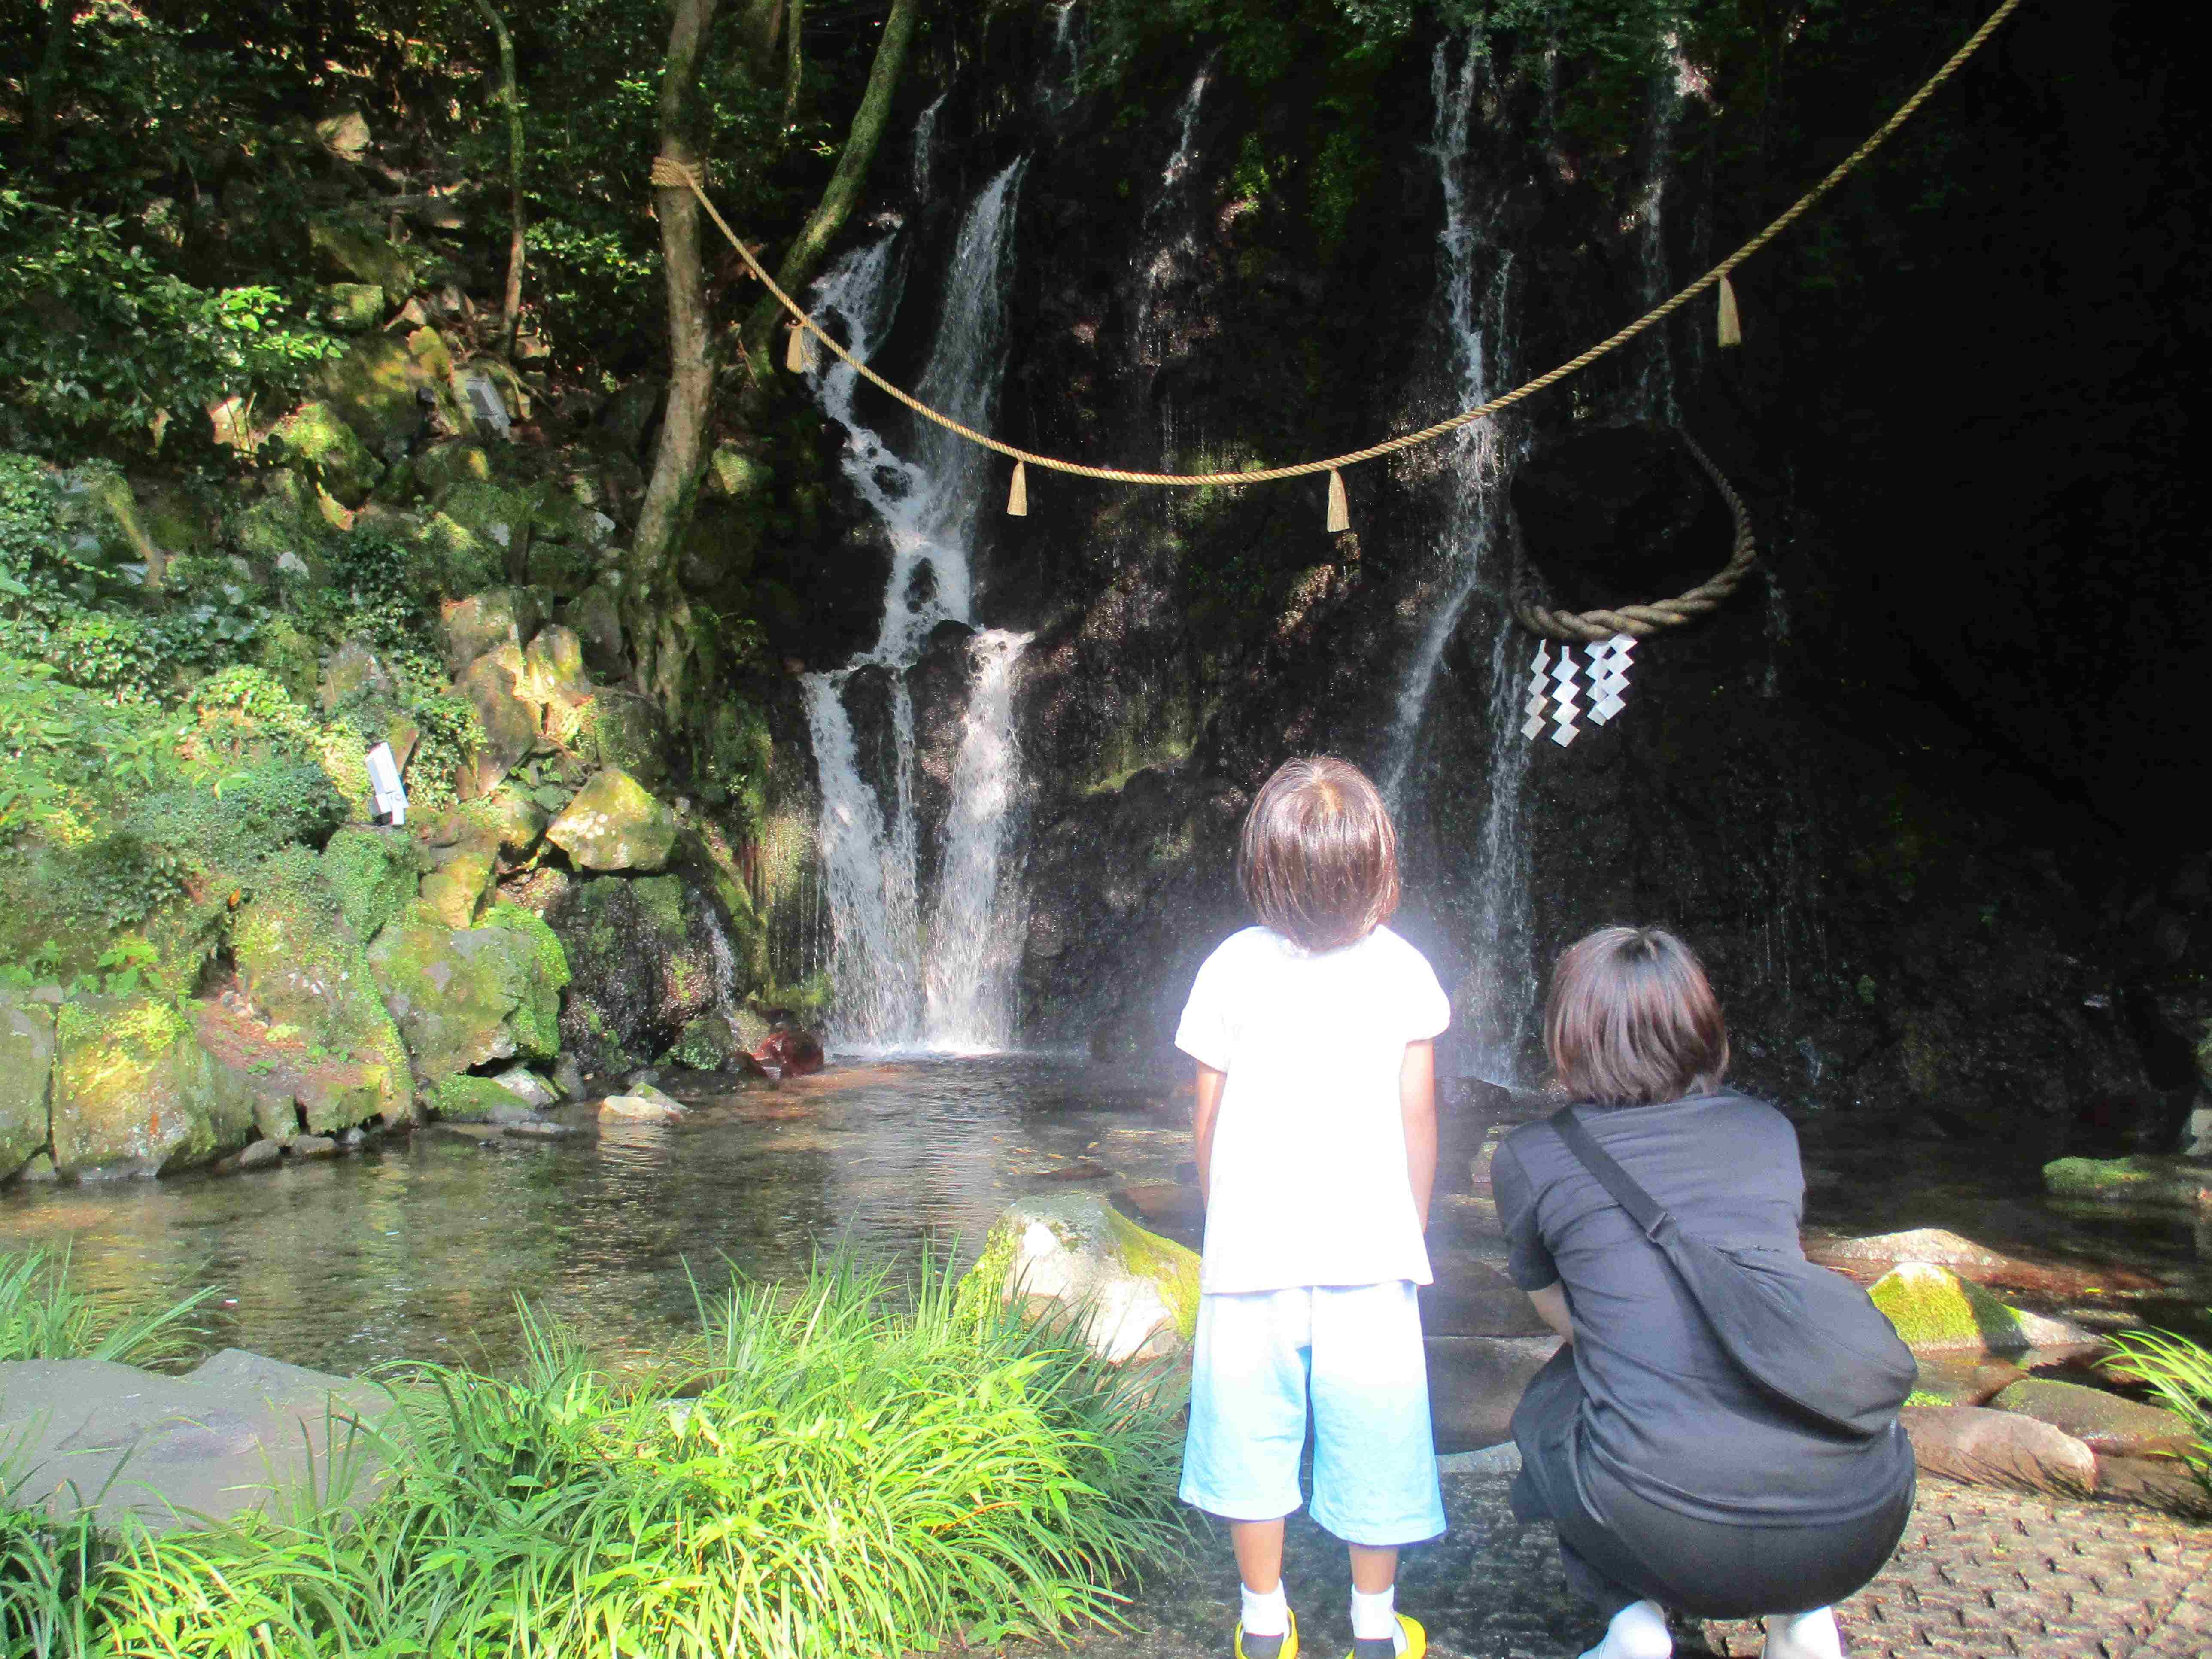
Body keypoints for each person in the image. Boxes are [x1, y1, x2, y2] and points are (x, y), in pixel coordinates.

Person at [1492, 927, 1915, 1659]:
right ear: (1700, 1024)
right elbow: (1764, 1298)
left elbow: (1566, 1319)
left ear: (1570, 1034)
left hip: (1658, 1524)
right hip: (1859, 1518)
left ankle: (1630, 1624)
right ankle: (1802, 1619)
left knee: (1556, 1399)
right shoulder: (1768, 1131)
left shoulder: (1532, 1157)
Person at [1176, 755, 1451, 1659]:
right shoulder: (1404, 970)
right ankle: (1375, 1628)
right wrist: (1409, 1225)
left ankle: (1264, 1622)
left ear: (1265, 869)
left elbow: (1206, 1116)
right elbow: (1418, 1116)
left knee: (1249, 1435)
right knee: (1376, 1428)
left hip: (1252, 1249)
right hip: (1370, 1250)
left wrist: (1224, 1221)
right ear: (1378, 868)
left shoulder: (1229, 967)